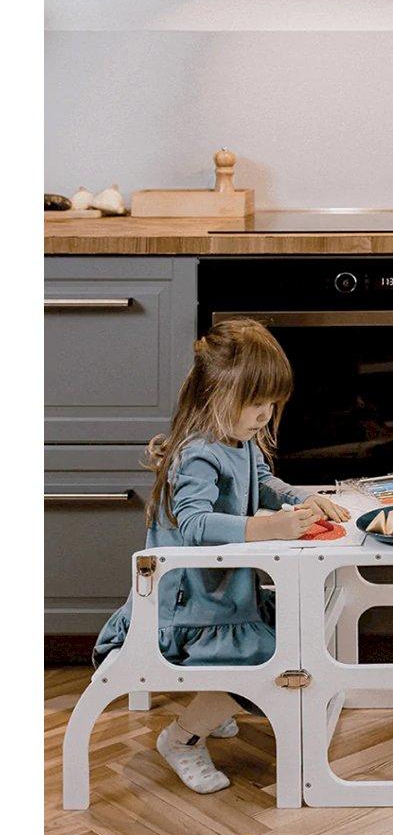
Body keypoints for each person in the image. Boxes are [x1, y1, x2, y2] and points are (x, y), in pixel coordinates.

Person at [92, 318, 350, 793]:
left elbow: (264, 482)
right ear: (216, 397)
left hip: (225, 595)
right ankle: (184, 738)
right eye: (255, 404)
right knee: (266, 657)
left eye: (272, 403)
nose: (265, 414)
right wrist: (267, 527)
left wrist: (300, 501)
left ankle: (212, 708)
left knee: (290, 634)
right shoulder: (198, 454)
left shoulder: (238, 439)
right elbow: (194, 524)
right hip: (189, 604)